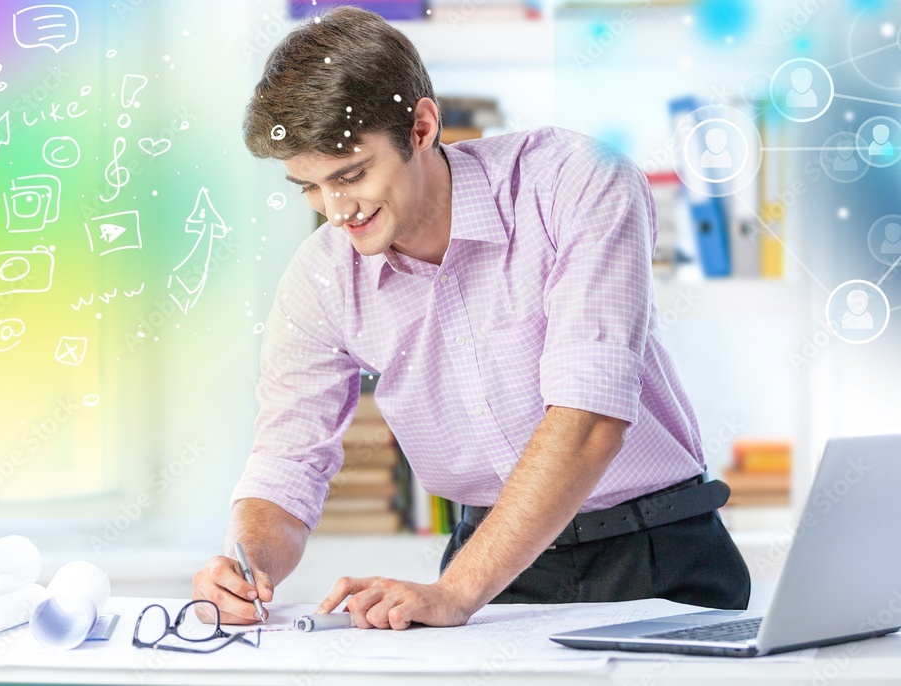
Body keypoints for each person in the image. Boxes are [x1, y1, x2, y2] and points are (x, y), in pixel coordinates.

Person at [191, 6, 750, 631]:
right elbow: (287, 462)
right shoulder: (321, 276)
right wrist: (245, 565)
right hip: (489, 573)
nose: (336, 210)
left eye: (350, 175)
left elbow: (590, 416)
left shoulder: (577, 182)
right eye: (310, 188)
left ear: (422, 126)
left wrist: (455, 590)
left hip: (655, 555)